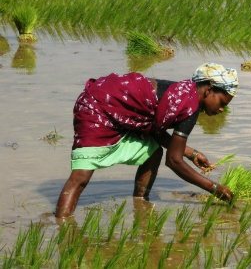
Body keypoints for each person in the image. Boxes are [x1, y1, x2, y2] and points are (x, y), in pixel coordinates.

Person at [55, 63, 238, 218]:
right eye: (222, 102)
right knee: (81, 177)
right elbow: (173, 161)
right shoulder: (189, 106)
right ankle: (62, 224)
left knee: (152, 152)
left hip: (112, 108)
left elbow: (155, 130)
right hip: (98, 108)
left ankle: (140, 203)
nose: (222, 109)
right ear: (209, 90)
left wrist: (191, 153)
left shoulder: (184, 92)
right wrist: (214, 188)